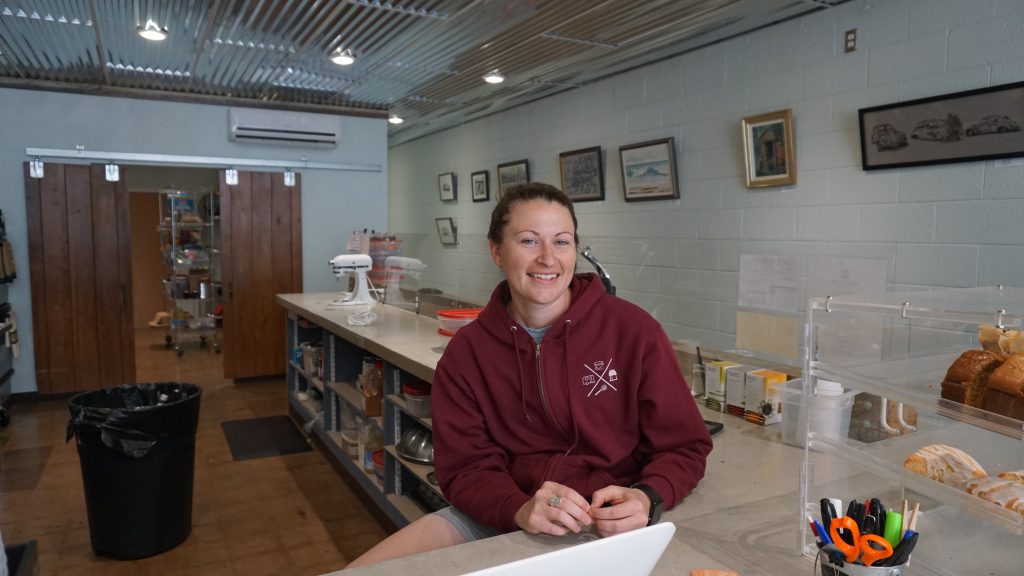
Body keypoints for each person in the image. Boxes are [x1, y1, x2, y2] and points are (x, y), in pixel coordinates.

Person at [346, 183, 712, 568]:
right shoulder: (467, 355)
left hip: (615, 523)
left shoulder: (633, 331)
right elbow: (466, 469)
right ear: (496, 251)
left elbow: (685, 445)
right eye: (528, 241)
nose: (548, 259)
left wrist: (647, 496)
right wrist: (519, 509)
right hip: (505, 515)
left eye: (561, 242)